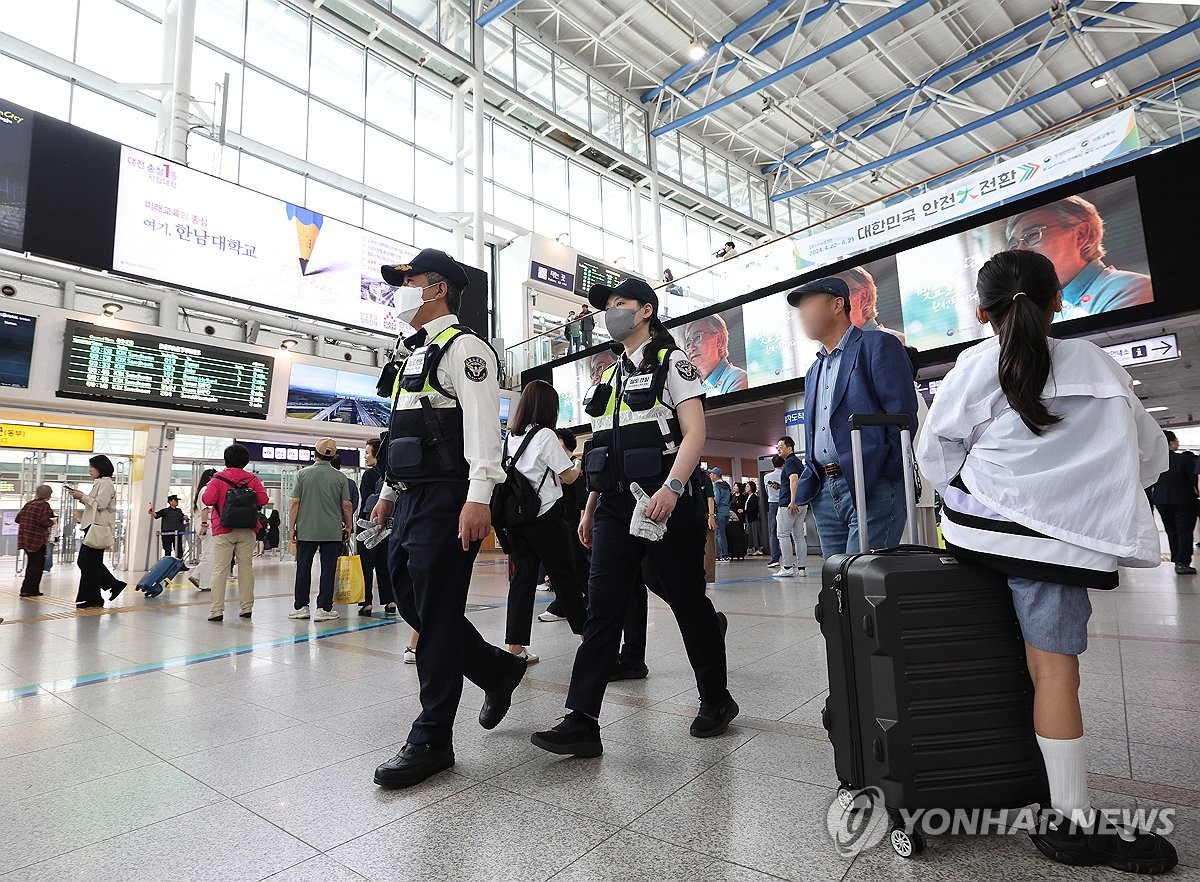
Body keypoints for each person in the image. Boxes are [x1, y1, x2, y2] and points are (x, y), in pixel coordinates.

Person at [916, 249, 1176, 874]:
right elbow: (1149, 457)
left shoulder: (975, 366)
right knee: (1053, 673)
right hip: (1057, 553)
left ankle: (981, 780)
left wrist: (980, 492)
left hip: (975, 537)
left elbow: (934, 454)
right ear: (1058, 301)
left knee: (983, 663)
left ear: (982, 311)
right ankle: (1072, 822)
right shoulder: (1098, 365)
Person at [531, 276, 737, 757]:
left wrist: (672, 487)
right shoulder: (607, 376)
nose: (611, 313)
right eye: (607, 307)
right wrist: (590, 503)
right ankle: (582, 719)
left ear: (646, 310)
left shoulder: (673, 363)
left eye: (619, 303)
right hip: (615, 507)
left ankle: (716, 699)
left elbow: (694, 433)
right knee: (603, 608)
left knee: (686, 601)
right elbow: (601, 446)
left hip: (666, 501)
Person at [370, 248, 524, 789]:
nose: (399, 291)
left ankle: (433, 737)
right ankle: (496, 670)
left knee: (435, 615)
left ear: (435, 288)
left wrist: (479, 496)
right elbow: (400, 436)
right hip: (410, 497)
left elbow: (485, 427)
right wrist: (388, 491)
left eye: (405, 281)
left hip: (450, 497)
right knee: (411, 601)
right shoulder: (409, 354)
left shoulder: (465, 350)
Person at [788, 276, 918, 557]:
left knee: (863, 581)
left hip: (871, 481)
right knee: (836, 584)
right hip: (824, 488)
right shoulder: (813, 370)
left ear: (837, 305)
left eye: (808, 303)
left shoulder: (877, 345)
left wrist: (885, 471)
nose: (802, 313)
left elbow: (902, 416)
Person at [500, 379, 588, 662]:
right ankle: (588, 639)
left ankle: (515, 648)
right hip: (545, 516)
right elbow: (567, 476)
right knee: (566, 577)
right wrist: (577, 463)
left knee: (522, 579)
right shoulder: (545, 435)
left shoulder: (510, 437)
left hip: (515, 519)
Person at [1006, 194, 1152, 317]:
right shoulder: (1037, 308)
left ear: (1081, 234)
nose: (1020, 251)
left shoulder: (1131, 289)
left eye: (1032, 235)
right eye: (1014, 245)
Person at [289, 437, 354, 623]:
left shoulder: (303, 475)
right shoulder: (341, 477)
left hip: (307, 529)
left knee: (303, 567)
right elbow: (347, 505)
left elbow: (295, 502)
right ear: (333, 456)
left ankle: (301, 607)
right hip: (332, 531)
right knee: (328, 569)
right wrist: (349, 526)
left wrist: (292, 527)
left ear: (314, 453)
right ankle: (324, 608)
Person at [202, 444, 269, 622]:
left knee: (220, 569)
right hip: (247, 529)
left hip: (224, 529)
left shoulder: (217, 478)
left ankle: (217, 610)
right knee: (246, 568)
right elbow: (263, 499)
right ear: (245, 461)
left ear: (226, 459)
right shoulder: (252, 479)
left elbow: (207, 499)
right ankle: (246, 607)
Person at [71, 455, 125, 608]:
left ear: (100, 467)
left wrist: (83, 496)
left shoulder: (106, 484)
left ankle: (96, 596)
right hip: (93, 526)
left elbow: (101, 504)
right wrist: (82, 497)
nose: (90, 470)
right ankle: (109, 587)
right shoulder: (100, 483)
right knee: (89, 563)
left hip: (98, 527)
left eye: (92, 467)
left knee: (88, 563)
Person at [358, 437, 399, 617]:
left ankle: (367, 603)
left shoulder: (369, 475)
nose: (365, 456)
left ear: (376, 453)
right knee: (385, 563)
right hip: (389, 525)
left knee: (366, 564)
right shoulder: (392, 474)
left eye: (368, 452)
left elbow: (366, 498)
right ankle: (390, 600)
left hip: (369, 524)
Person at [1151, 430, 1199, 576]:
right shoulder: (1183, 460)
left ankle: (1176, 559)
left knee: (1171, 532)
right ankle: (1182, 563)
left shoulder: (1154, 462)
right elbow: (1193, 481)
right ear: (1171, 442)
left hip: (1161, 501)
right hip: (1183, 501)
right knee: (1184, 532)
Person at [834, 266, 905, 342]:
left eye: (839, 295)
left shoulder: (895, 341)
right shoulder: (834, 349)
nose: (835, 304)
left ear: (863, 296)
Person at [683, 314, 749, 395]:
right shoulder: (694, 389)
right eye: (688, 344)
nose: (691, 348)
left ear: (719, 340)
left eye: (697, 337)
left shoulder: (737, 378)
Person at [774, 436, 806, 578]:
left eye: (781, 446)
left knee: (783, 534)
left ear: (789, 448)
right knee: (799, 536)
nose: (778, 449)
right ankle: (801, 568)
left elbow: (794, 480)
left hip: (789, 504)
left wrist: (792, 501)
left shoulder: (790, 462)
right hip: (802, 503)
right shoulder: (798, 462)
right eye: (777, 447)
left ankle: (787, 567)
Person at [16, 485, 56, 597]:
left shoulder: (29, 504)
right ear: (48, 494)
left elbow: (17, 519)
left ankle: (26, 588)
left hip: (25, 539)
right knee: (37, 566)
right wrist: (52, 522)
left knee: (31, 564)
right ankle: (30, 590)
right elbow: (44, 521)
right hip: (37, 540)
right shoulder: (44, 505)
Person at [190, 468, 217, 591]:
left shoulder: (201, 490)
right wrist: (205, 524)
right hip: (206, 524)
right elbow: (205, 508)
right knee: (209, 554)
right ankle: (205, 583)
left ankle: (197, 576)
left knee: (209, 553)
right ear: (210, 478)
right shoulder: (206, 490)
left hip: (204, 523)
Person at [148, 495, 188, 560]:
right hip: (167, 533)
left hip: (177, 533)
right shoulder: (165, 511)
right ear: (170, 502)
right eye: (175, 500)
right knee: (167, 549)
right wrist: (152, 512)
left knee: (179, 549)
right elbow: (157, 515)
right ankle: (167, 564)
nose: (177, 502)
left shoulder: (179, 511)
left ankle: (180, 564)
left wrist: (185, 518)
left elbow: (183, 517)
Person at [765, 455, 784, 567]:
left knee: (774, 531)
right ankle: (789, 558)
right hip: (784, 502)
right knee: (788, 531)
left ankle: (774, 558)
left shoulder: (767, 477)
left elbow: (767, 491)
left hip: (772, 503)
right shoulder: (786, 474)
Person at [710, 467, 732, 561]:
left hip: (719, 512)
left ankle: (723, 555)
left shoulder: (716, 486)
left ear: (715, 475)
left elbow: (716, 500)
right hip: (726, 512)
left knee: (720, 534)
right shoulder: (727, 485)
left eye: (711, 474)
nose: (710, 475)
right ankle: (725, 554)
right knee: (723, 534)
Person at [745, 480, 762, 555]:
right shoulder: (748, 496)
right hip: (749, 517)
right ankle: (753, 548)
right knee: (750, 533)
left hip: (753, 517)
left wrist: (744, 511)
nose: (746, 487)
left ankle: (757, 548)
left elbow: (754, 508)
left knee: (755, 533)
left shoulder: (754, 497)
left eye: (748, 486)